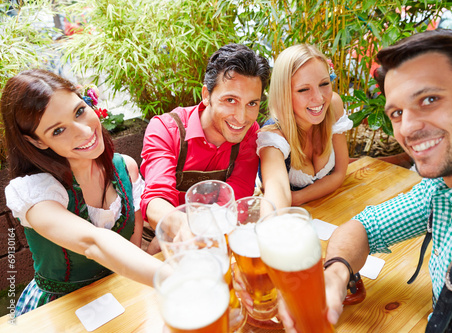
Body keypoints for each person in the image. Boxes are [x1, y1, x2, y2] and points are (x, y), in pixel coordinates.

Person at [279, 29, 452, 332]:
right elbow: (366, 226)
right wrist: (335, 275)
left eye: (430, 99)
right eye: (396, 112)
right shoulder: (447, 184)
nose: (407, 128)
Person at [1, 69, 162, 316]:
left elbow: (134, 244)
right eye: (58, 130)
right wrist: (178, 281)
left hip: (120, 291)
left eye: (79, 111)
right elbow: (93, 243)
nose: (84, 131)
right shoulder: (36, 193)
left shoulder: (125, 168)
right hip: (62, 308)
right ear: (36, 141)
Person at [140, 43, 271, 238]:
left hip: (220, 227)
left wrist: (202, 231)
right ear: (206, 96)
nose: (242, 118)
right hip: (161, 230)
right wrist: (179, 231)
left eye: (251, 103)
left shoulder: (250, 133)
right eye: (230, 100)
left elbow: (238, 194)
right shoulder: (166, 129)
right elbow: (156, 200)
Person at [257, 44, 352, 209]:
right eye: (303, 90)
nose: (319, 98)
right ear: (283, 93)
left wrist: (298, 197)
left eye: (324, 84)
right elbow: (276, 199)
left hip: (333, 208)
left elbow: (339, 174)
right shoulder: (273, 136)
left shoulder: (333, 106)